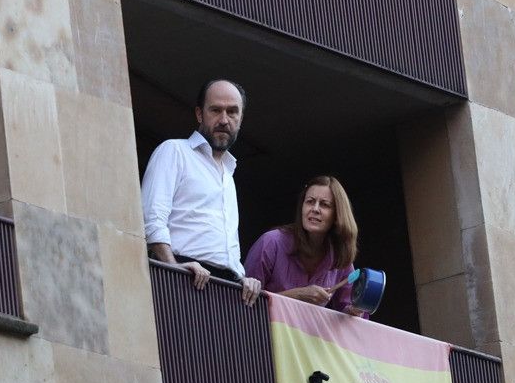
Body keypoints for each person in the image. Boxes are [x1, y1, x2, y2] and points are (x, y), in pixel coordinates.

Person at [140, 79, 262, 306]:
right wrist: (173, 267)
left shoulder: (229, 172)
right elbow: (152, 219)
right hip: (184, 276)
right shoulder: (175, 151)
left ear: (241, 119)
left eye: (232, 112)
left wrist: (243, 277)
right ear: (199, 114)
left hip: (229, 289)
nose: (224, 120)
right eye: (216, 110)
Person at [244, 176, 363, 315]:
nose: (315, 209)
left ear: (338, 216)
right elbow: (244, 300)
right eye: (310, 202)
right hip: (261, 333)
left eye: (324, 204)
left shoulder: (340, 257)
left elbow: (348, 311)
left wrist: (354, 312)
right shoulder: (271, 242)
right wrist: (298, 295)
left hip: (306, 337)